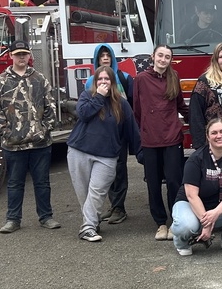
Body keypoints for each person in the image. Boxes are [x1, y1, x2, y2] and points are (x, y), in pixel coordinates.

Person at [0, 39, 61, 234]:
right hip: (13, 145)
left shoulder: (39, 79)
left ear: (29, 56)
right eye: (17, 54)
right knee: (14, 183)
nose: (21, 57)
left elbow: (51, 106)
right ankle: (13, 219)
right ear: (10, 56)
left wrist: (44, 129)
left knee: (42, 182)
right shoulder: (1, 81)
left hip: (40, 143)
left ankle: (46, 217)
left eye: (24, 54)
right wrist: (7, 132)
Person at [67, 65, 143, 242]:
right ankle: (91, 223)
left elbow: (132, 130)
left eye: (106, 79)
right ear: (95, 82)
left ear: (112, 82)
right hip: (79, 150)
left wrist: (142, 154)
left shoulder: (121, 103)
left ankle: (87, 228)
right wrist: (99, 96)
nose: (103, 82)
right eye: (100, 79)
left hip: (107, 156)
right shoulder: (87, 96)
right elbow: (83, 114)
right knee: (84, 194)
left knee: (97, 191)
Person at [171, 117, 222, 256]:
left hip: (219, 206)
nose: (219, 136)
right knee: (186, 226)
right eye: (214, 133)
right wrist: (207, 224)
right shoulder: (196, 159)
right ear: (207, 136)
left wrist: (216, 212)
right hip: (190, 203)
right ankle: (181, 241)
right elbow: (191, 195)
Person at [133, 45, 189, 240]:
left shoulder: (174, 78)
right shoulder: (140, 79)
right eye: (160, 56)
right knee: (153, 183)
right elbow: (137, 110)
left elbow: (181, 105)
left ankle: (175, 221)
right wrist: (147, 127)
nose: (163, 60)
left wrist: (201, 122)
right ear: (153, 57)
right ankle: (160, 224)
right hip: (150, 140)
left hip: (172, 137)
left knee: (174, 181)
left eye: (167, 57)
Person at [85, 43, 134, 225]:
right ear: (96, 59)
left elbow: (133, 106)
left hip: (119, 133)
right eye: (101, 55)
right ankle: (113, 205)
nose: (105, 58)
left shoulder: (125, 78)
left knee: (119, 169)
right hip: (100, 135)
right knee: (103, 171)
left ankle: (119, 208)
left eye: (108, 55)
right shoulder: (90, 82)